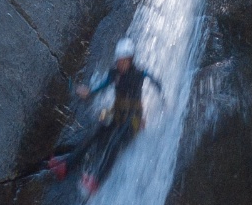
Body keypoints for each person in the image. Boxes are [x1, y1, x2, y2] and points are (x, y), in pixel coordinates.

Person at [41, 40, 162, 195]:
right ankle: (66, 166)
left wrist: (165, 102)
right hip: (116, 112)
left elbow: (156, 83)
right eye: (119, 60)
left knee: (115, 143)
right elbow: (103, 85)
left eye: (124, 60)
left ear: (131, 60)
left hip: (134, 117)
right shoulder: (114, 73)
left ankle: (96, 181)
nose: (120, 63)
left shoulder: (139, 73)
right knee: (94, 132)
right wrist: (89, 92)